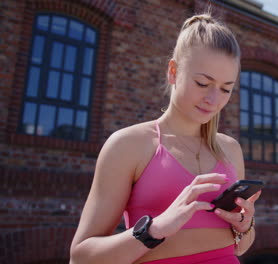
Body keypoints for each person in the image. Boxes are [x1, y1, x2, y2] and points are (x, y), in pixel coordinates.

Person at [70, 12, 262, 264]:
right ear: (173, 72)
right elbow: (81, 258)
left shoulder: (230, 149)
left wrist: (244, 226)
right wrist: (154, 229)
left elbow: (239, 248)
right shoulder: (129, 145)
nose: (214, 99)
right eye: (203, 83)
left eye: (226, 88)